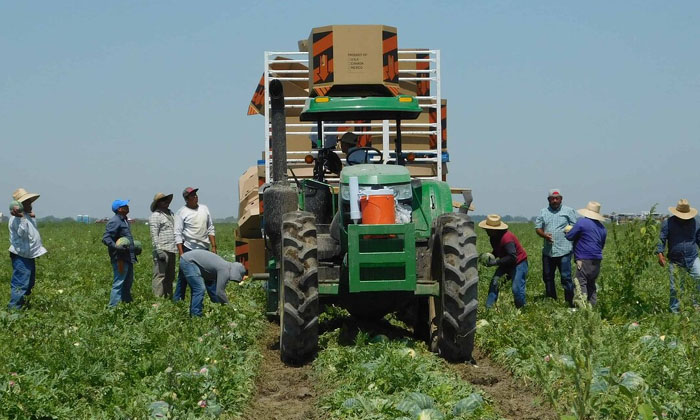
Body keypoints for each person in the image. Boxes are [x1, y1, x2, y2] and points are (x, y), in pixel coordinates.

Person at [535, 188, 578, 306]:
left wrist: (570, 231)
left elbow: (575, 226)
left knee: (566, 277)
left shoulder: (568, 211)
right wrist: (544, 235)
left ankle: (570, 302)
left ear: (561, 199)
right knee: (547, 277)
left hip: (564, 250)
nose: (554, 201)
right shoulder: (543, 212)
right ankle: (552, 300)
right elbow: (538, 228)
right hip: (548, 251)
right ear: (548, 200)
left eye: (557, 198)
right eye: (552, 199)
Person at [656, 199, 700, 313]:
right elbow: (661, 239)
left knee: (699, 278)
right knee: (675, 287)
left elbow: (699, 239)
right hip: (675, 260)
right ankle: (675, 311)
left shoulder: (695, 222)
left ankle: (696, 305)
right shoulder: (668, 223)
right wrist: (660, 254)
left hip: (692, 257)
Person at [173, 187, 216, 301]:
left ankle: (217, 303)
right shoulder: (181, 212)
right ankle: (178, 302)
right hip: (189, 249)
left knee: (210, 277)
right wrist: (181, 254)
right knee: (184, 278)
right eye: (192, 195)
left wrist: (214, 247)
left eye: (196, 194)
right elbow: (177, 234)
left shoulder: (204, 209)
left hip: (204, 249)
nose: (196, 197)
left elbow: (210, 228)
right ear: (187, 199)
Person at [7, 188, 47, 309]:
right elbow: (22, 233)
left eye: (30, 201)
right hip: (21, 256)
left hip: (28, 255)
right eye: (27, 202)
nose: (31, 204)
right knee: (20, 283)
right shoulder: (16, 219)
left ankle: (23, 306)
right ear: (21, 205)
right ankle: (13, 311)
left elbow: (31, 236)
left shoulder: (27, 216)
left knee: (29, 283)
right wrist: (21, 217)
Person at [478, 214, 528, 309]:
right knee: (494, 284)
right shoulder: (493, 237)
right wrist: (488, 258)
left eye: (487, 229)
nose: (486, 231)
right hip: (505, 263)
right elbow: (498, 251)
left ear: (494, 230)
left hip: (518, 263)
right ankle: (489, 309)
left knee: (516, 288)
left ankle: (522, 310)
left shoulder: (507, 238)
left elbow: (512, 257)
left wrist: (495, 263)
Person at [178, 249, 246, 316]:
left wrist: (218, 305)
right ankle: (195, 316)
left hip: (187, 258)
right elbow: (219, 292)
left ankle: (187, 309)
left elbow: (215, 289)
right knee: (199, 288)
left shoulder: (225, 266)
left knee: (196, 287)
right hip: (189, 261)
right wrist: (229, 307)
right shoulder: (225, 270)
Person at [565, 201, 607, 306]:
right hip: (597, 259)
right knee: (591, 284)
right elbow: (601, 245)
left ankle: (582, 308)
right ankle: (592, 307)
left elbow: (570, 236)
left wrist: (567, 232)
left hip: (584, 258)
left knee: (580, 283)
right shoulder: (602, 228)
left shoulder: (582, 222)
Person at [102, 199, 136, 307]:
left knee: (127, 282)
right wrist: (116, 247)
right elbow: (106, 238)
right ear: (119, 209)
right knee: (119, 283)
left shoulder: (124, 220)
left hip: (128, 257)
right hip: (120, 258)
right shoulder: (115, 221)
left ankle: (127, 304)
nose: (128, 206)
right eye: (125, 205)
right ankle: (113, 309)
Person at [149, 192, 176, 298]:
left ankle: (169, 297)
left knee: (170, 276)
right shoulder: (156, 215)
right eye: (162, 201)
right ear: (158, 203)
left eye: (166, 200)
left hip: (172, 249)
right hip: (162, 249)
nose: (166, 202)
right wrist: (158, 249)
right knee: (160, 276)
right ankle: (158, 300)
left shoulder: (171, 214)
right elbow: (154, 234)